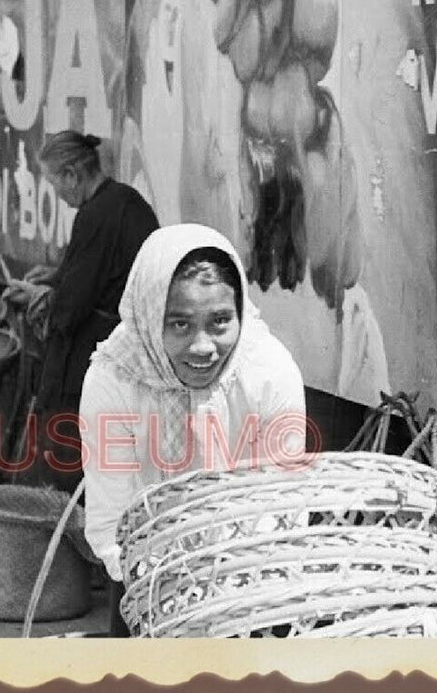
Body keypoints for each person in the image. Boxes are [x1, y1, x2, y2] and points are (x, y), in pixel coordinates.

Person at [78, 224, 307, 636]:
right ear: (149, 319)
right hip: (144, 584)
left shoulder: (267, 373)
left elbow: (281, 507)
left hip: (250, 583)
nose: (203, 347)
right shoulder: (115, 379)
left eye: (219, 321)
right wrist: (166, 591)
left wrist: (228, 589)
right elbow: (112, 522)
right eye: (180, 325)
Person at [31, 131, 159, 489]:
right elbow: (105, 272)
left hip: (91, 360)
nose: (58, 193)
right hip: (132, 358)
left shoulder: (95, 215)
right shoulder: (129, 202)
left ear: (72, 175)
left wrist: (40, 298)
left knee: (74, 468)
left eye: (56, 183)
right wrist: (58, 276)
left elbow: (71, 308)